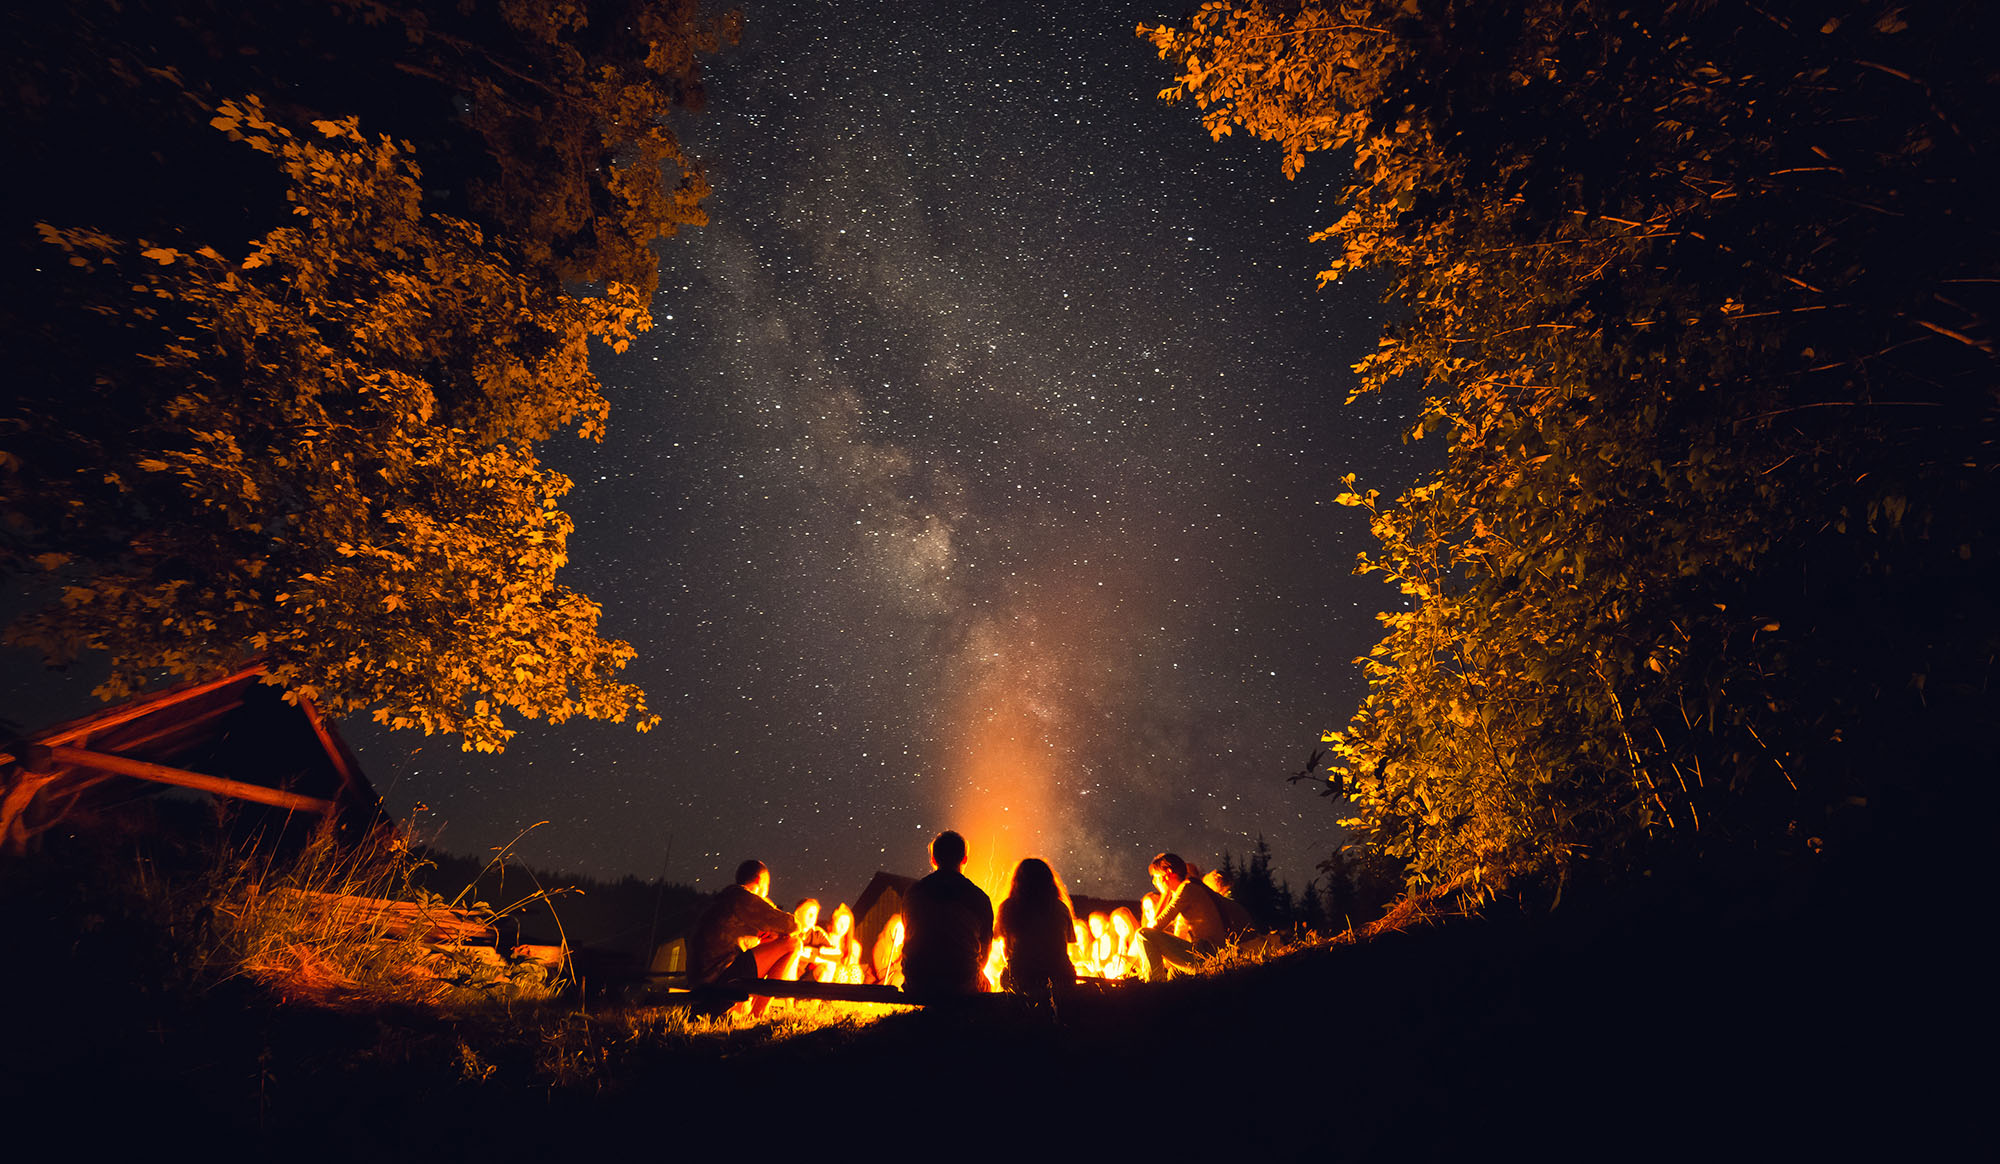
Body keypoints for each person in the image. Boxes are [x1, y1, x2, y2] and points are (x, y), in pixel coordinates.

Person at [685, 859, 803, 1014]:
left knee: (771, 942)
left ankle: (743, 1009)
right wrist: (771, 911)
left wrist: (768, 937)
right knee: (793, 943)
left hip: (702, 982)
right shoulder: (742, 897)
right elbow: (792, 925)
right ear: (759, 880)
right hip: (717, 982)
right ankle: (757, 1015)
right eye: (767, 887)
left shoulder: (725, 900)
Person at [899, 830, 993, 1000]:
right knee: (986, 984)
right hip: (960, 983)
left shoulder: (912, 893)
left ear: (933, 860)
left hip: (918, 982)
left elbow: (909, 934)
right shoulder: (978, 897)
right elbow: (985, 952)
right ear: (964, 859)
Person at [1136, 851, 1245, 982]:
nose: (1157, 883)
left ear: (1168, 872)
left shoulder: (1186, 889)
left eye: (1157, 877)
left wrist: (1165, 894)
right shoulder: (1195, 887)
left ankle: (1154, 984)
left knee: (1142, 934)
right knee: (1173, 974)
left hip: (1206, 954)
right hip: (1213, 953)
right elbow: (1178, 937)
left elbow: (1155, 926)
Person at [994, 857, 1077, 1001]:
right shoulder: (1061, 908)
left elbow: (997, 938)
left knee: (1003, 977)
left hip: (1022, 978)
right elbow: (1068, 944)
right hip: (1061, 977)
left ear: (1017, 881)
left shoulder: (1008, 907)